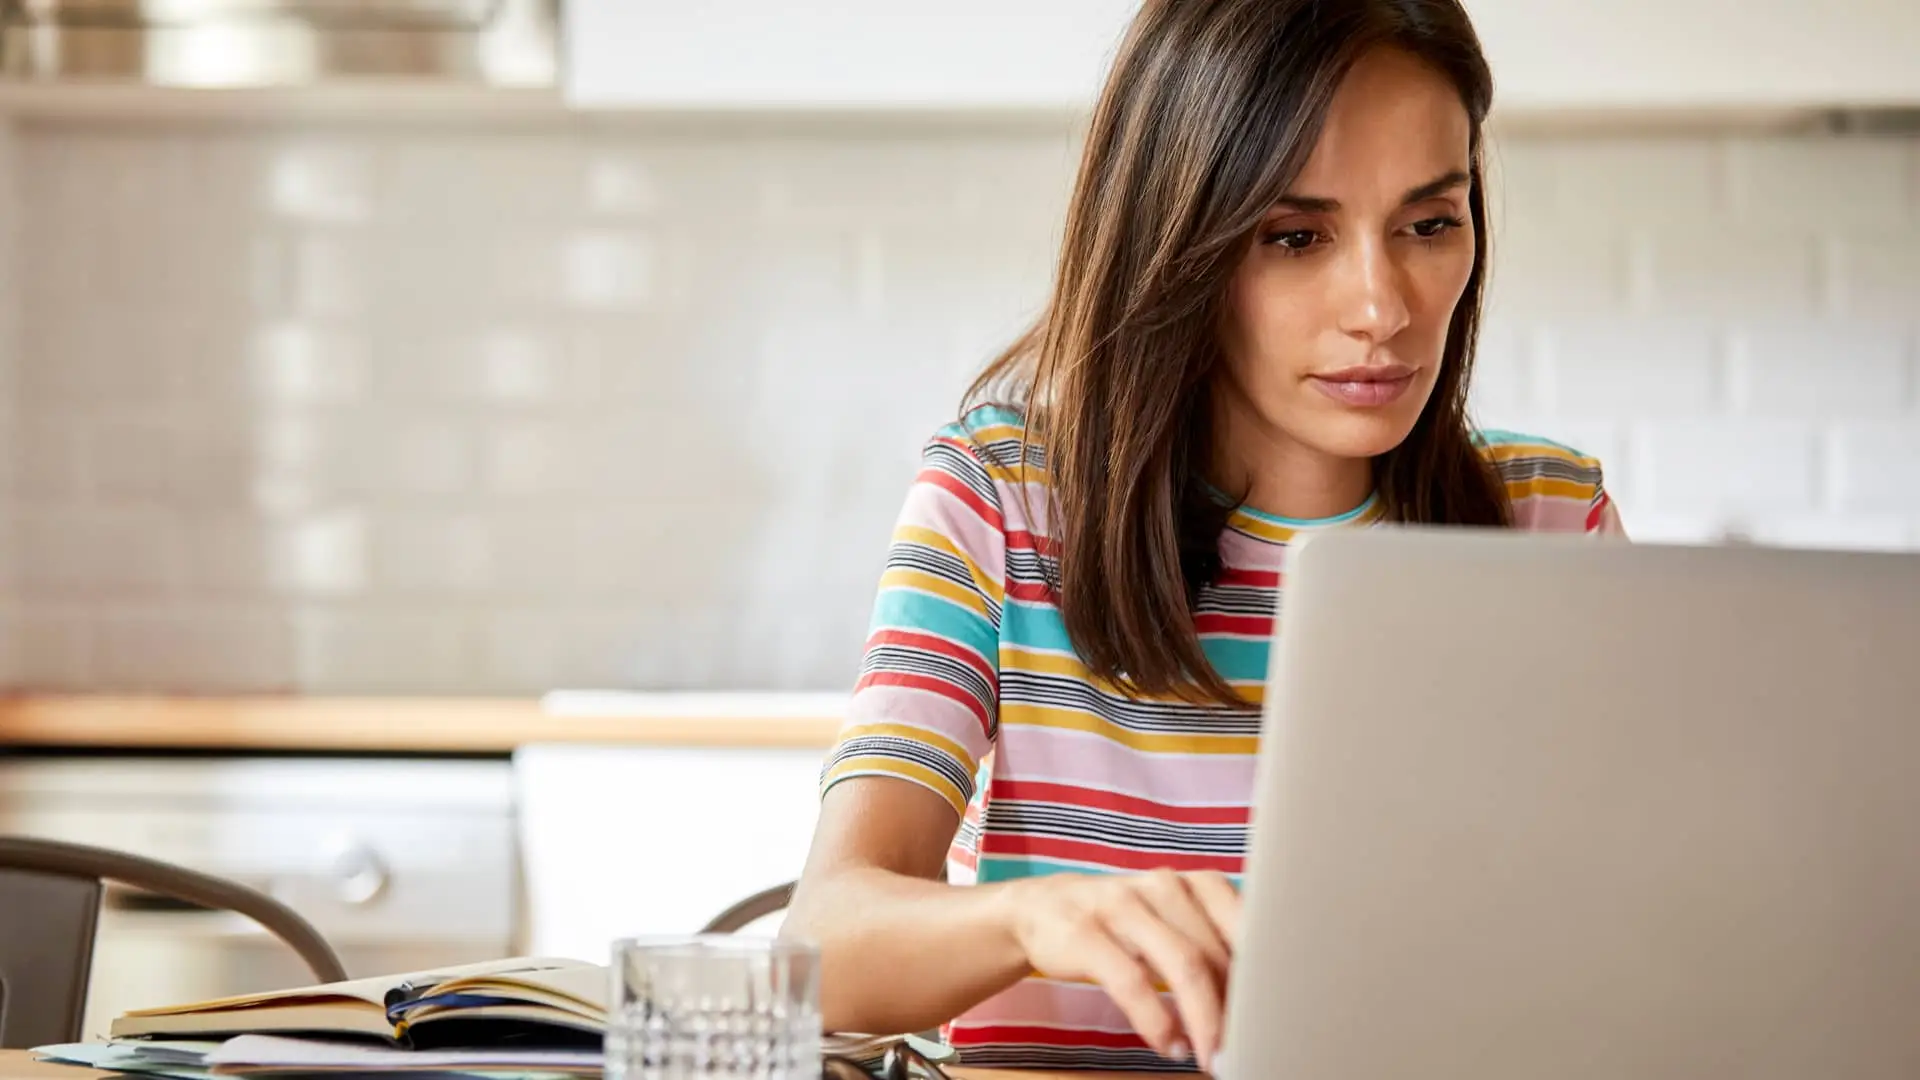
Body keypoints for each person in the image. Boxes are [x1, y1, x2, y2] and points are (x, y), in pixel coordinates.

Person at [781, 0, 1626, 1072]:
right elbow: (821, 946)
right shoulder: (1003, 497)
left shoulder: (1551, 517)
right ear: (1180, 244)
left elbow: (1659, 929)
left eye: (1428, 224)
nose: (1382, 305)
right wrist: (1035, 920)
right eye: (1295, 236)